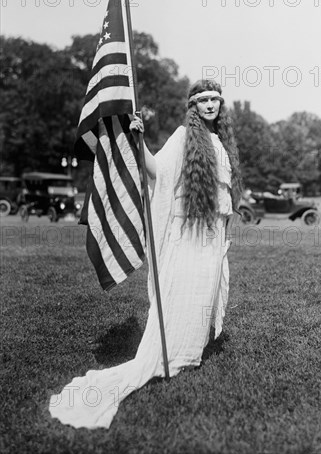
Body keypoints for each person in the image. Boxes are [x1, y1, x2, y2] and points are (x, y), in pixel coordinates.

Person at [49, 80, 242, 429]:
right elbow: (158, 173)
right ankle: (166, 352)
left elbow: (227, 198)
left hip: (215, 234)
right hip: (190, 230)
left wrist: (226, 235)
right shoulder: (185, 136)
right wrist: (139, 141)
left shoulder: (222, 143)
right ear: (193, 105)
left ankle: (187, 351)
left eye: (215, 99)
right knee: (180, 292)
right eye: (203, 100)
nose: (210, 105)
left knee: (203, 294)